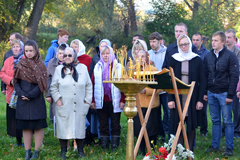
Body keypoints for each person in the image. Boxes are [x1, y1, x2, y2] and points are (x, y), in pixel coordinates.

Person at [50, 47, 92, 159]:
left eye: (70, 55)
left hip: (79, 103)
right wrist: (58, 100)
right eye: (65, 55)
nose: (67, 57)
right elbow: (53, 86)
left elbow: (89, 85)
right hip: (64, 103)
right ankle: (63, 151)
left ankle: (80, 151)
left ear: (74, 56)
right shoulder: (59, 69)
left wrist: (87, 102)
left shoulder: (83, 68)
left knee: (79, 126)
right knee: (63, 126)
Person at [204, 31, 239, 156]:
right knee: (215, 121)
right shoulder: (208, 56)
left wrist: (230, 95)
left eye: (216, 40)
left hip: (225, 94)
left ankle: (229, 148)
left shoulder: (231, 56)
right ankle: (215, 145)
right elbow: (205, 75)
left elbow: (234, 77)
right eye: (212, 40)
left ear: (223, 42)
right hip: (212, 93)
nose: (213, 42)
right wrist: (205, 92)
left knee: (228, 121)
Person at [168, 35, 204, 151]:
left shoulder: (197, 59)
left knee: (191, 123)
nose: (184, 47)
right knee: (178, 122)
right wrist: (170, 99)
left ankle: (189, 152)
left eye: (186, 44)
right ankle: (179, 151)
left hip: (192, 96)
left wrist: (200, 100)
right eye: (181, 45)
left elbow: (202, 81)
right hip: (178, 96)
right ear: (178, 46)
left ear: (190, 44)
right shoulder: (174, 59)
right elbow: (170, 81)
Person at [14, 40, 48, 160]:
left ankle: (36, 151)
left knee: (38, 125)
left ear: (35, 50)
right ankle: (27, 151)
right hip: (22, 100)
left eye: (31, 51)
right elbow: (16, 82)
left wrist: (30, 95)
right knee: (26, 126)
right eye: (27, 51)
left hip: (36, 100)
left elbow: (42, 84)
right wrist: (21, 94)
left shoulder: (41, 65)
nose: (29, 53)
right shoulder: (20, 64)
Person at [90, 45, 125, 151]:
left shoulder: (119, 67)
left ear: (112, 54)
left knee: (115, 124)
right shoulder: (98, 67)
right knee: (103, 124)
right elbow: (92, 84)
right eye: (103, 53)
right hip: (101, 100)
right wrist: (92, 100)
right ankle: (104, 146)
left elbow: (124, 85)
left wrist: (122, 100)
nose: (105, 55)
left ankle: (115, 146)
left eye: (108, 53)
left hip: (115, 100)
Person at [131, 50, 162, 155]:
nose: (141, 59)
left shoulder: (154, 70)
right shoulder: (131, 70)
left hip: (151, 105)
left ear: (147, 58)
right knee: (138, 128)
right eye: (139, 57)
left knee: (152, 128)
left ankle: (152, 149)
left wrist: (146, 91)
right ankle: (141, 149)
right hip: (137, 104)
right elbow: (127, 85)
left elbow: (159, 87)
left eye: (143, 56)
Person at [0, 40, 24, 147]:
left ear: (21, 48)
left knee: (22, 116)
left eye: (17, 46)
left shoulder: (25, 59)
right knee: (13, 117)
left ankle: (25, 139)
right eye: (13, 46)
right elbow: (2, 73)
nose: (15, 48)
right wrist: (10, 80)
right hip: (11, 93)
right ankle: (18, 141)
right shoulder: (8, 60)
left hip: (23, 92)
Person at [148, 32, 169, 139]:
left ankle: (169, 135)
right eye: (150, 42)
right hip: (153, 88)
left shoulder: (167, 52)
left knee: (167, 112)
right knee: (156, 113)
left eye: (154, 42)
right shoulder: (148, 53)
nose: (152, 44)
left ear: (160, 41)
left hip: (165, 88)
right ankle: (160, 135)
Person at [222, 29, 240, 139]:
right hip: (223, 84)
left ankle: (237, 131)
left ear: (234, 39)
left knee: (236, 109)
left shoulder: (238, 52)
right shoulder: (222, 51)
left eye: (229, 37)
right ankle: (224, 130)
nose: (227, 39)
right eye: (226, 37)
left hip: (235, 83)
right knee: (224, 108)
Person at [192, 33, 209, 137]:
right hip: (192, 85)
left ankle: (204, 130)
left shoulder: (206, 54)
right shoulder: (189, 52)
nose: (195, 42)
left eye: (197, 40)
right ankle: (194, 127)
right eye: (193, 40)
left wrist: (205, 90)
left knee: (202, 109)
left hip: (201, 84)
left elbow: (207, 72)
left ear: (201, 41)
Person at [46, 43, 67, 124]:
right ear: (57, 54)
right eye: (60, 53)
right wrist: (48, 94)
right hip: (55, 92)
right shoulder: (52, 62)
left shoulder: (70, 63)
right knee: (56, 113)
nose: (61, 56)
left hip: (66, 92)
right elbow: (48, 78)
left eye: (63, 54)